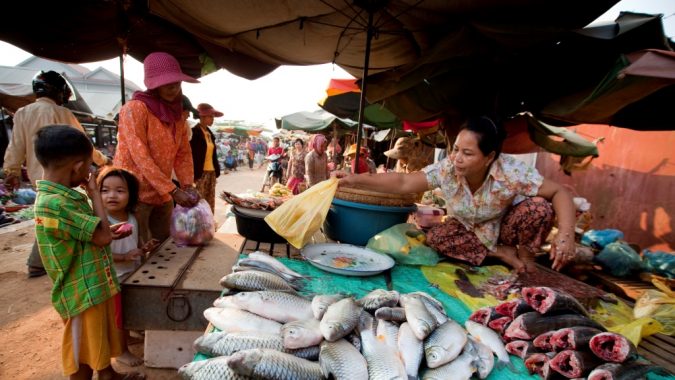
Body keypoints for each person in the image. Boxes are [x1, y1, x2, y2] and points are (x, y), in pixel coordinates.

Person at [337, 116, 576, 273]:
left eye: (467, 153)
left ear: (489, 157)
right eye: (456, 150)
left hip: (502, 226)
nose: (457, 158)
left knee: (538, 208)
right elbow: (402, 181)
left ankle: (524, 258)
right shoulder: (448, 169)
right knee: (435, 238)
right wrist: (353, 180)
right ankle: (499, 253)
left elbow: (559, 191)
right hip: (466, 230)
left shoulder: (511, 171)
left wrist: (566, 234)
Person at [32, 125, 143, 380]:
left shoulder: (63, 197)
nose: (88, 174)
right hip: (80, 289)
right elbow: (102, 237)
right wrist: (94, 194)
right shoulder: (57, 203)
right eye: (87, 168)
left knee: (98, 339)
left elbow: (89, 233)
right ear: (77, 166)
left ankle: (107, 374)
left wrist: (107, 229)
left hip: (93, 280)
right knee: (83, 351)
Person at [3, 70, 109, 278]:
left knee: (46, 217)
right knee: (70, 214)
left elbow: (15, 147)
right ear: (59, 92)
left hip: (40, 179)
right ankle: (47, 261)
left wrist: (11, 171)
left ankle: (41, 262)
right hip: (65, 177)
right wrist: (103, 161)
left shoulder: (23, 113)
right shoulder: (63, 114)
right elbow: (84, 144)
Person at [114, 52, 200, 245]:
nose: (173, 88)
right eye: (167, 83)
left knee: (163, 245)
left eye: (177, 83)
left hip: (162, 193)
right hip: (135, 193)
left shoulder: (177, 115)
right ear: (153, 84)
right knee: (136, 248)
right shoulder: (135, 109)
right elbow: (140, 155)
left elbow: (183, 154)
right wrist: (172, 189)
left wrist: (187, 185)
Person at [98, 166, 160, 367]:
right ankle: (121, 351)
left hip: (130, 275)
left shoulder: (133, 217)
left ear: (132, 195)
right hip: (112, 278)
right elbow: (99, 254)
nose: (111, 195)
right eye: (105, 190)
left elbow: (135, 244)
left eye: (120, 190)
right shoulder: (101, 222)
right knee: (117, 318)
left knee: (126, 313)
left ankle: (126, 339)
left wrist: (144, 248)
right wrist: (123, 256)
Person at [190, 103, 222, 213]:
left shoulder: (209, 134)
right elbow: (190, 155)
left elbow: (213, 155)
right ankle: (198, 227)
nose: (213, 119)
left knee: (209, 201)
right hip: (199, 174)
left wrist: (216, 171)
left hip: (211, 172)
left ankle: (208, 225)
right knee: (198, 202)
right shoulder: (194, 133)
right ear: (202, 117)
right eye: (211, 116)